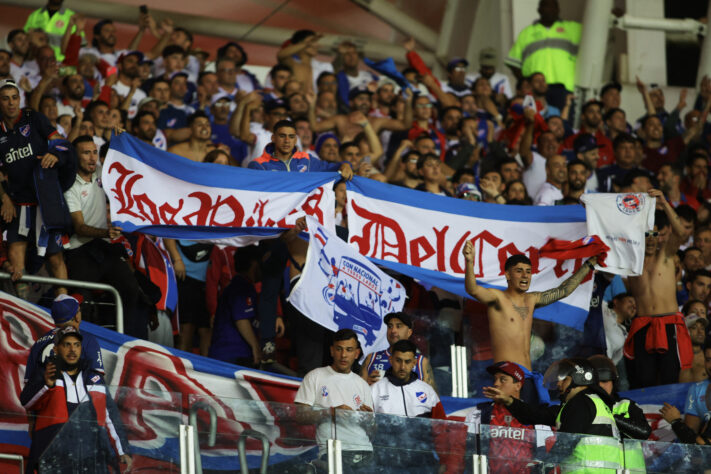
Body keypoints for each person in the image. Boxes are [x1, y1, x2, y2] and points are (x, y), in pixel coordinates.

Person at [463, 240, 598, 405]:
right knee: (508, 425)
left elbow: (564, 291)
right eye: (519, 271)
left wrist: (588, 265)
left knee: (529, 426)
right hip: (507, 377)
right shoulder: (497, 298)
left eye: (528, 271)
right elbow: (473, 289)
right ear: (507, 275)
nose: (525, 275)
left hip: (527, 375)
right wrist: (469, 262)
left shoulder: (532, 299)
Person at [64, 135, 145, 338]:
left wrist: (120, 139)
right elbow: (79, 227)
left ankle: (121, 339)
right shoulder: (70, 186)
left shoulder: (103, 174)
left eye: (94, 152)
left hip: (103, 247)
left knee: (130, 287)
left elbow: (126, 165)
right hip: (79, 251)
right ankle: (85, 342)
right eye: (86, 153)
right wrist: (105, 232)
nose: (92, 158)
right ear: (75, 157)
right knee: (84, 301)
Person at [20, 326, 131, 473]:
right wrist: (47, 385)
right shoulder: (44, 372)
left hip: (89, 459)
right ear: (56, 349)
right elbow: (27, 403)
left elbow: (109, 416)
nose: (72, 349)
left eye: (76, 345)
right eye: (67, 344)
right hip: (53, 460)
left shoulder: (94, 378)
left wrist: (122, 451)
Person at [484, 358, 624, 472]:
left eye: (564, 379)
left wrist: (543, 465)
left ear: (578, 379)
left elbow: (565, 444)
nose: (558, 383)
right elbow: (535, 415)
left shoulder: (580, 403)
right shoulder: (588, 403)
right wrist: (508, 400)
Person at [0, 79, 72, 298]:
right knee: (15, 258)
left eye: (15, 98)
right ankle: (24, 309)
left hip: (45, 201)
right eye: (5, 99)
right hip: (17, 202)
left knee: (55, 258)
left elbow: (60, 142)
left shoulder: (34, 118)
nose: (11, 103)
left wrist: (55, 153)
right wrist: (3, 198)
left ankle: (65, 306)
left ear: (20, 99)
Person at [624, 191, 694, 388]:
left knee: (670, 376)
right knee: (643, 379)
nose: (651, 238)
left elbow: (681, 233)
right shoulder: (631, 259)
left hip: (668, 323)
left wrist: (663, 201)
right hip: (642, 325)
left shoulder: (666, 255)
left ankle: (669, 419)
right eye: (646, 234)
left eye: (654, 233)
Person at [294, 329, 374, 471]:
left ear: (356, 353)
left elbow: (373, 430)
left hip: (366, 450)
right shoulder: (315, 376)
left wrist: (369, 420)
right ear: (332, 351)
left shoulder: (362, 384)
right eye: (339, 349)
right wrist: (330, 412)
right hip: (334, 450)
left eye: (349, 350)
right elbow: (299, 416)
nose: (343, 355)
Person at [370, 339, 445, 473]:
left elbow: (442, 430)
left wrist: (445, 462)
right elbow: (368, 431)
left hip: (422, 464)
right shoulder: (375, 390)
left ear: (414, 363)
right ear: (391, 360)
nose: (403, 367)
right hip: (387, 464)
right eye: (398, 360)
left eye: (407, 361)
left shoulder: (427, 391)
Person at [464, 361, 547, 473]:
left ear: (518, 386)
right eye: (495, 379)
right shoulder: (478, 413)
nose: (496, 384)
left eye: (503, 379)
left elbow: (545, 457)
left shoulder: (535, 415)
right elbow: (467, 454)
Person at [505, 0, 581, 109]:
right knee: (538, 121)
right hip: (536, 90)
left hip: (565, 88)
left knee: (561, 122)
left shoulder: (573, 28)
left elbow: (595, 30)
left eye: (553, 7)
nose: (550, 10)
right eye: (546, 6)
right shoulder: (527, 33)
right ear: (539, 10)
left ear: (558, 9)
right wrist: (526, 82)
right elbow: (512, 62)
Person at [24, 294, 104, 384]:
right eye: (79, 310)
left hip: (45, 396)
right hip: (74, 396)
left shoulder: (38, 343)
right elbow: (97, 380)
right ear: (77, 317)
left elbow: (28, 385)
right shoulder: (86, 339)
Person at [208, 245, 263, 367]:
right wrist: (255, 346)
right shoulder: (240, 286)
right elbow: (241, 319)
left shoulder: (240, 285)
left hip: (230, 355)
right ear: (254, 264)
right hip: (232, 356)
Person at [361, 312, 436, 389]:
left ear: (409, 332)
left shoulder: (421, 362)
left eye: (398, 326)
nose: (393, 330)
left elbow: (432, 397)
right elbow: (358, 393)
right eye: (390, 326)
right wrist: (366, 385)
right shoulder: (371, 358)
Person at [679, 313, 709, 383]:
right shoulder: (676, 358)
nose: (700, 332)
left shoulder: (708, 357)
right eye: (694, 328)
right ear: (685, 331)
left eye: (702, 328)